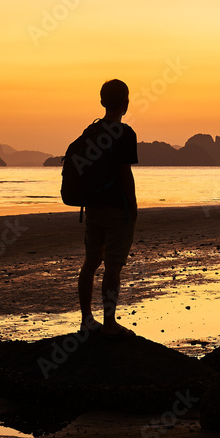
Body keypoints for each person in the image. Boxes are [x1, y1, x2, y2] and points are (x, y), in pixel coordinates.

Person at [78, 79, 139, 337]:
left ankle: (86, 320)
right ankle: (110, 322)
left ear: (102, 102)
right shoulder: (125, 134)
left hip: (93, 207)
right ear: (126, 103)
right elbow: (124, 172)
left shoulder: (89, 132)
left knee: (91, 262)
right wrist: (133, 205)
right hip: (116, 209)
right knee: (113, 265)